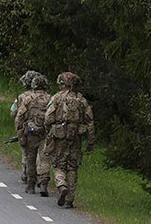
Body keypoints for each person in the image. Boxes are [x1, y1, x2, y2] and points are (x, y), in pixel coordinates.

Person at [43, 71, 95, 208]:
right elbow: (90, 121)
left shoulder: (57, 98)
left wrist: (49, 131)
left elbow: (48, 117)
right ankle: (70, 199)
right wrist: (90, 141)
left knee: (59, 165)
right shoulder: (81, 100)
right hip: (75, 137)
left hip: (59, 136)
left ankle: (61, 185)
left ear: (62, 84)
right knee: (72, 166)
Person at [13, 72, 51, 195]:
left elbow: (19, 116)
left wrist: (20, 134)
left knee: (31, 158)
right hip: (45, 133)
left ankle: (31, 185)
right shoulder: (50, 98)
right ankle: (44, 183)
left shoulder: (27, 98)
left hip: (31, 133)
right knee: (44, 158)